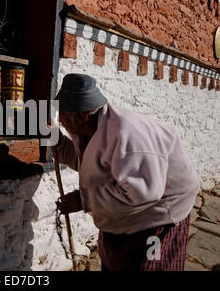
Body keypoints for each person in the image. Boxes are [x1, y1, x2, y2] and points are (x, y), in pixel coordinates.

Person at [53, 73, 200, 271]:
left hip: (160, 212)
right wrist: (56, 140)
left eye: (62, 117)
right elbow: (87, 162)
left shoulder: (127, 133)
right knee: (115, 260)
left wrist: (84, 200)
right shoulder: (87, 129)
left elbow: (142, 192)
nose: (60, 121)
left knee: (147, 265)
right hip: (125, 212)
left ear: (81, 116)